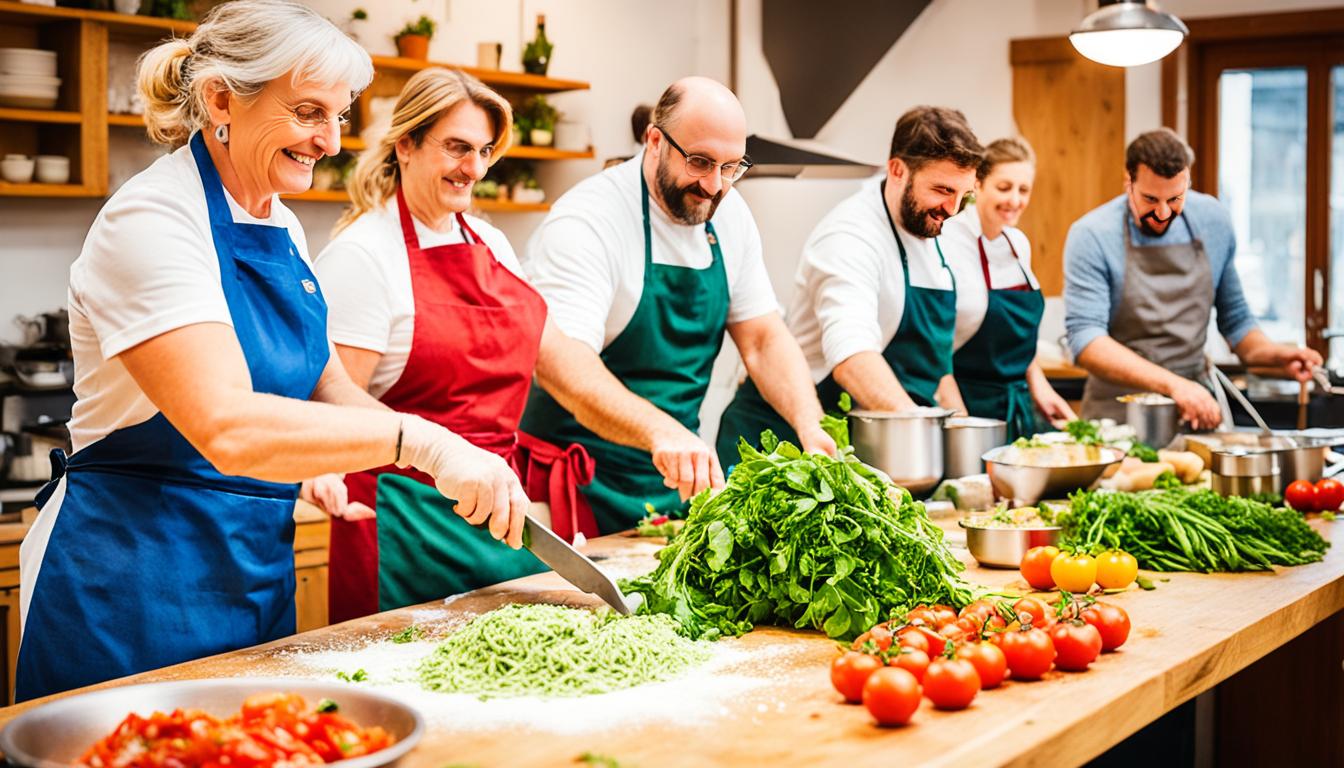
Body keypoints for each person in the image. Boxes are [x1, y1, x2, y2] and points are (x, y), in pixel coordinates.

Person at [15, 1, 528, 702]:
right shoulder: (151, 220)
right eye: (309, 112)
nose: (331, 140)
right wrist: (417, 439)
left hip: (251, 570)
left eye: (340, 115)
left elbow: (326, 386)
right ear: (222, 98)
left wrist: (444, 452)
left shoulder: (279, 224)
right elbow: (225, 424)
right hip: (128, 581)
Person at [310, 68, 593, 623]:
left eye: (486, 150)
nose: (477, 169)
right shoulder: (364, 255)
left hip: (496, 522)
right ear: (407, 143)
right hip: (403, 530)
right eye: (459, 148)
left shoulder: (491, 243)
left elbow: (552, 359)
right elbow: (331, 402)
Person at [520, 77, 835, 533]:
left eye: (731, 167)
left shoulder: (731, 214)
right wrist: (662, 432)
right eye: (700, 162)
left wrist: (809, 425)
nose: (714, 185)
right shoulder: (588, 220)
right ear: (654, 141)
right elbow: (562, 366)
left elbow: (764, 339)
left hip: (671, 480)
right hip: (574, 486)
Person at [715, 106, 982, 462]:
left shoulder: (934, 228)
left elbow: (938, 371)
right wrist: (923, 441)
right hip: (781, 441)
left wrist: (965, 449)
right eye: (942, 190)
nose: (952, 208)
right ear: (898, 170)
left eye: (963, 195)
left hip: (857, 437)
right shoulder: (850, 237)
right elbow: (852, 358)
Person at [1063, 128, 1321, 427]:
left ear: (1188, 181)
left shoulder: (1213, 221)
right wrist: (1174, 385)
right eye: (1149, 199)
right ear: (1128, 182)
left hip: (1196, 414)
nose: (1162, 213)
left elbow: (1236, 321)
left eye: (1174, 199)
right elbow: (1086, 340)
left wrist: (1275, 355)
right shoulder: (1092, 235)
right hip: (1119, 416)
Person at [940, 137, 1074, 440]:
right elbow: (934, 348)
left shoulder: (1018, 244)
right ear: (978, 184)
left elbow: (1017, 343)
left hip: (1019, 408)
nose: (1014, 200)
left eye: (1023, 189)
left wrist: (1041, 387)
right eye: (1004, 187)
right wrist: (962, 427)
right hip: (967, 406)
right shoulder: (947, 241)